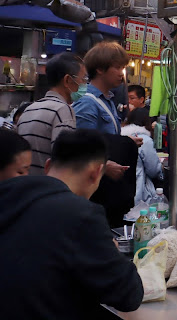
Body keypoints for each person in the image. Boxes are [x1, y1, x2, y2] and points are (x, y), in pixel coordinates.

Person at [0, 129, 143, 318]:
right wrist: (113, 251)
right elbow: (128, 295)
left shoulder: (9, 197)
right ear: (97, 173)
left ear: (48, 165)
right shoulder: (82, 215)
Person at [73, 42, 138, 179]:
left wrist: (124, 141)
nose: (122, 73)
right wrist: (105, 166)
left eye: (123, 68)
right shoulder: (87, 102)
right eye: (117, 67)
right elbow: (81, 147)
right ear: (100, 69)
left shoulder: (108, 100)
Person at [17, 52, 85, 175]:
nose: (84, 85)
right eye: (83, 79)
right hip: (47, 188)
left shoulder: (29, 109)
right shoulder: (62, 110)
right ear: (68, 80)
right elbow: (64, 161)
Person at [121, 108, 164, 204]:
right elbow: (153, 170)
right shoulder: (144, 140)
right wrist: (162, 169)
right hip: (138, 194)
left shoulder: (119, 137)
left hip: (120, 191)